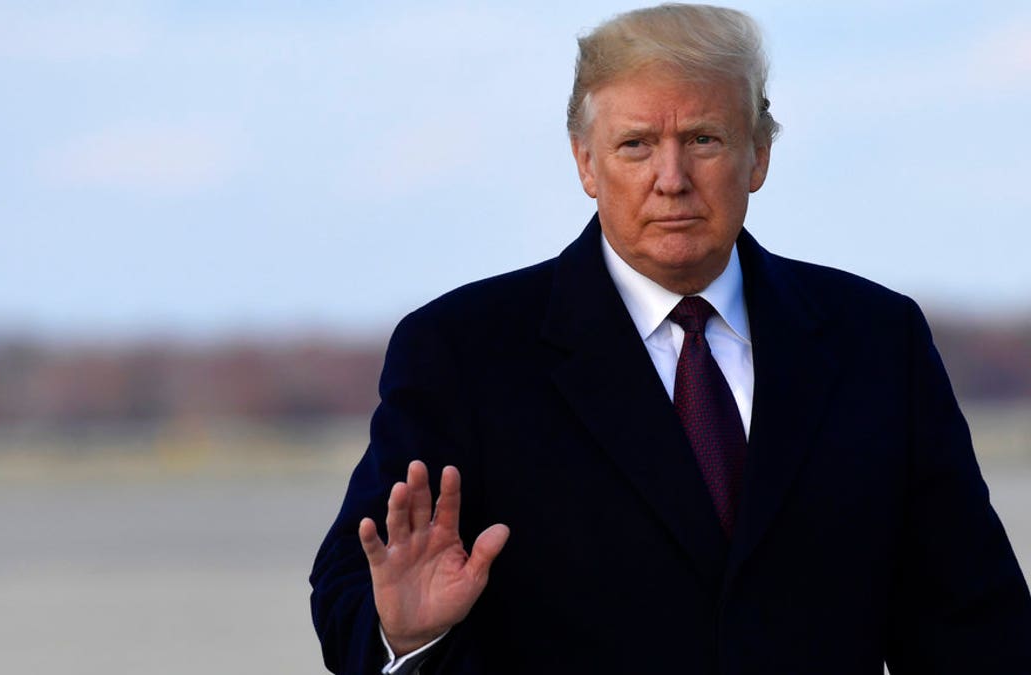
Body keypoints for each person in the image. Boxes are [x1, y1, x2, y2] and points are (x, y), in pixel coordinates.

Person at [309, 4, 1031, 673]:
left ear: (759, 156)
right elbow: (354, 583)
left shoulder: (878, 339)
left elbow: (975, 622)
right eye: (636, 144)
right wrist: (406, 636)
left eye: (703, 140)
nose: (672, 178)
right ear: (586, 163)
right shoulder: (462, 351)